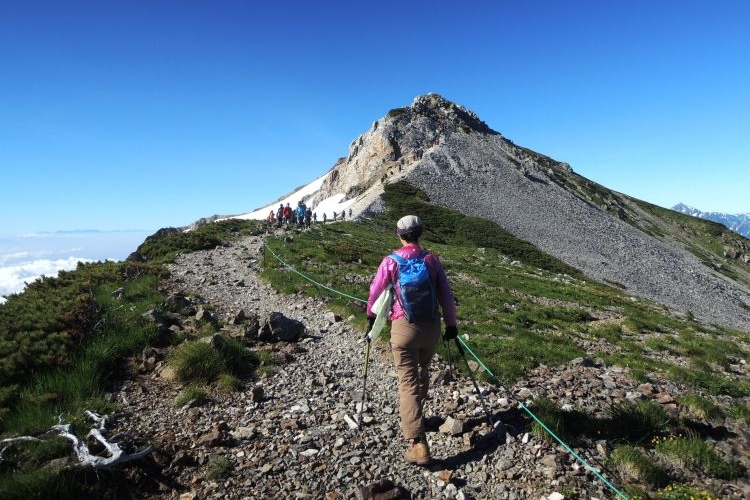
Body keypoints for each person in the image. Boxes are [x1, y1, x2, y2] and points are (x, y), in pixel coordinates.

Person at [366, 215, 457, 466]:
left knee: (407, 383)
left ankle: (418, 443)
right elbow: (446, 296)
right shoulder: (431, 260)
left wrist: (371, 318)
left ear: (399, 235)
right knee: (422, 372)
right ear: (420, 233)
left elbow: (375, 290)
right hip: (431, 328)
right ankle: (418, 417)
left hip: (403, 328)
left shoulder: (390, 261)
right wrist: (451, 325)